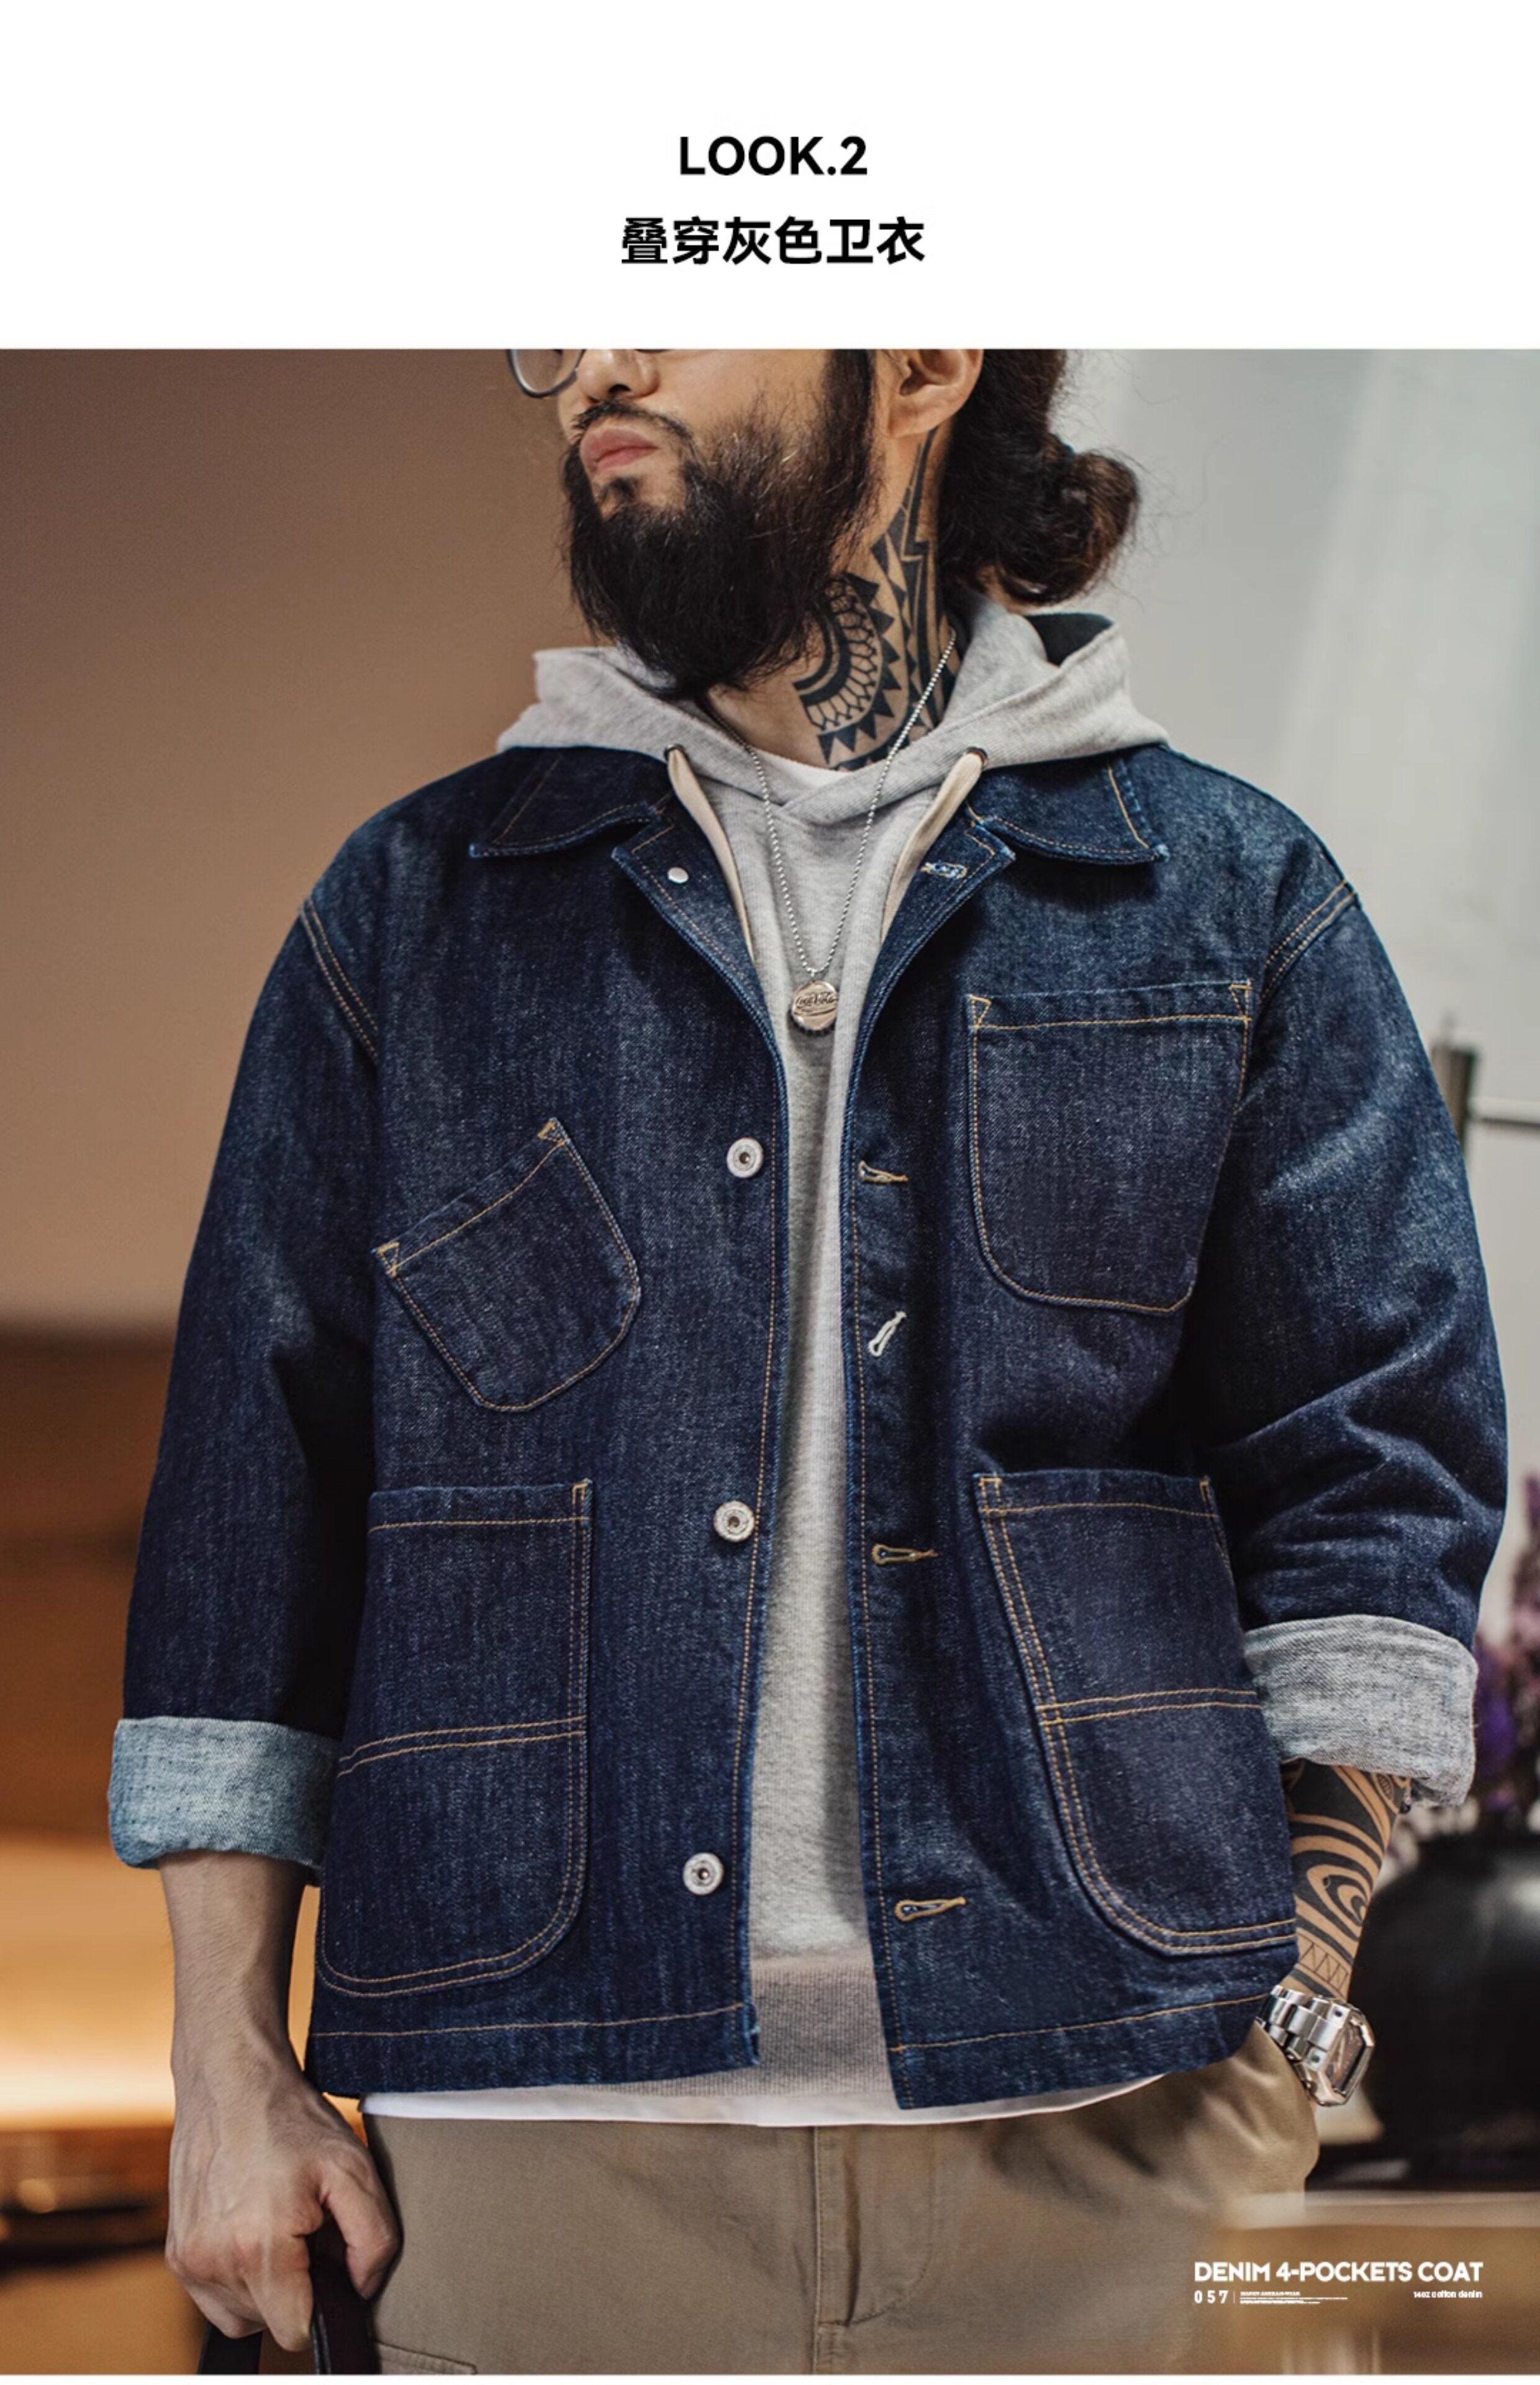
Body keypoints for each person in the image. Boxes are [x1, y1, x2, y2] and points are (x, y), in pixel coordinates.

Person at [109, 350, 1506, 2373]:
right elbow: (253, 1521)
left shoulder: (1233, 902)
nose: (590, 361)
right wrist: (225, 2070)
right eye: (562, 317)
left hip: (1111, 2130)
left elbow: (1372, 1471)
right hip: (525, 2161)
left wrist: (1296, 2003)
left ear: (922, 358)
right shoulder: (413, 917)